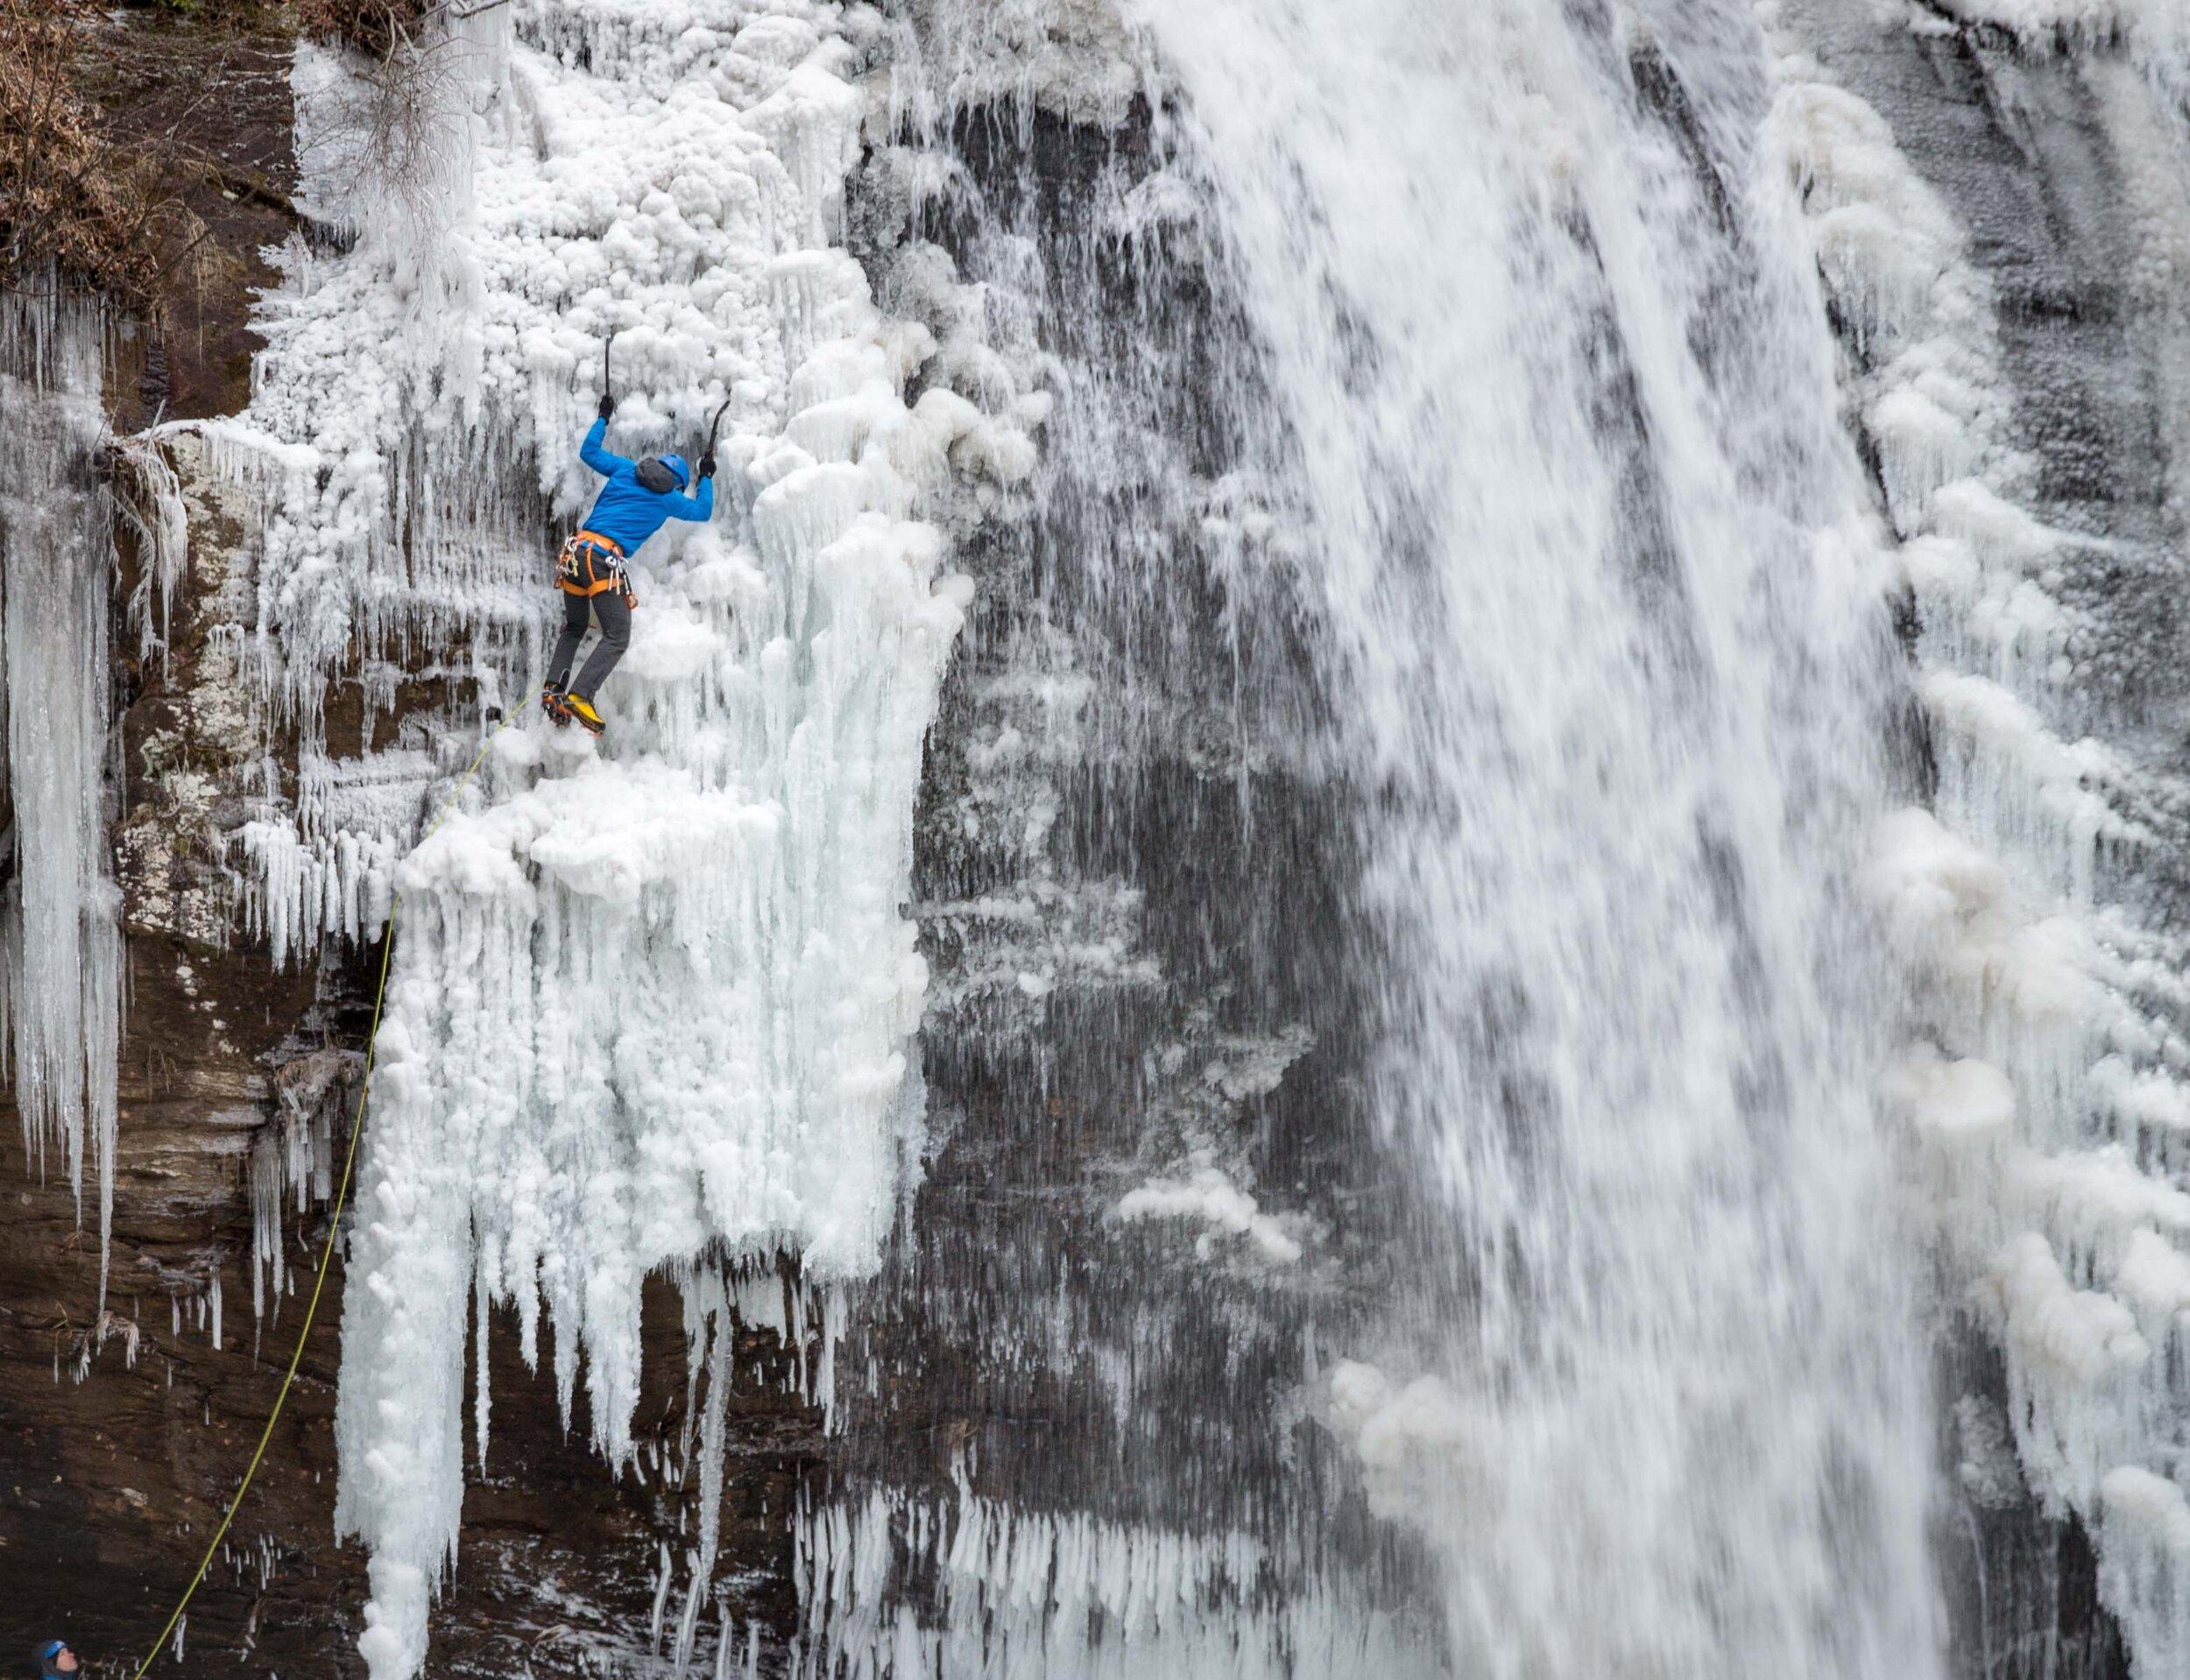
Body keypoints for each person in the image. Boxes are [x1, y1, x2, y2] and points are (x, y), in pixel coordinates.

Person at [544, 392, 717, 735]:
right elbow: (703, 511)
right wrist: (707, 476)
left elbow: (588, 452)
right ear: (679, 483)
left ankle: (554, 692)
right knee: (618, 635)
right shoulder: (670, 498)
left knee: (576, 627)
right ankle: (580, 695)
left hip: (575, 553)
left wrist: (603, 417)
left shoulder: (626, 469)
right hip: (601, 560)